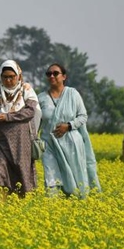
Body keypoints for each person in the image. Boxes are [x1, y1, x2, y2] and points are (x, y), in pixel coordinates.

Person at [37, 63, 101, 198]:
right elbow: (36, 122)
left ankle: (77, 203)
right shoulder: (41, 98)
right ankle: (51, 208)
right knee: (51, 176)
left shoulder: (73, 94)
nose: (52, 76)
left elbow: (83, 116)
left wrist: (69, 125)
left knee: (75, 180)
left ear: (64, 76)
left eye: (55, 73)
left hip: (72, 144)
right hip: (49, 145)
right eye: (49, 74)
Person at [0, 60, 40, 198]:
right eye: (5, 77)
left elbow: (30, 111)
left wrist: (8, 117)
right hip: (0, 139)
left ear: (18, 76)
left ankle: (23, 205)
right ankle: (1, 207)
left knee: (22, 171)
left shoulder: (26, 89)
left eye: (11, 77)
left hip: (21, 140)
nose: (8, 80)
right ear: (0, 77)